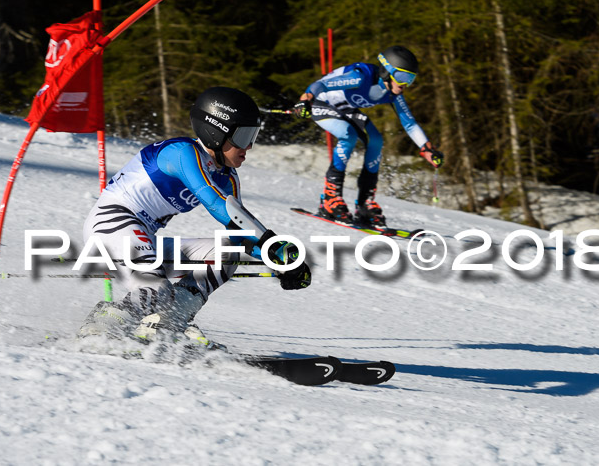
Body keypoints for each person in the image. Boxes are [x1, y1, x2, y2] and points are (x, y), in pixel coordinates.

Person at [78, 86, 311, 347]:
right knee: (157, 291)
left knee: (226, 252)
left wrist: (277, 262)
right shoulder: (182, 153)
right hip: (111, 224)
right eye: (243, 136)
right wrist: (272, 245)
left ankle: (168, 323)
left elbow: (239, 233)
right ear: (215, 131)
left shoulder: (227, 176)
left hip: (143, 237)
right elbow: (215, 203)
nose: (249, 147)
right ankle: (103, 326)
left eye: (252, 136)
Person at [294, 45, 444, 227]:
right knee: (347, 136)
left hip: (345, 109)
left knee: (376, 140)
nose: (405, 84)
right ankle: (330, 198)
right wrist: (305, 98)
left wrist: (426, 148)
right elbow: (321, 85)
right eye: (402, 77)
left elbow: (409, 123)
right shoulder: (360, 76)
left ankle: (365, 203)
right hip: (321, 102)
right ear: (387, 71)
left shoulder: (392, 94)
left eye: (410, 79)